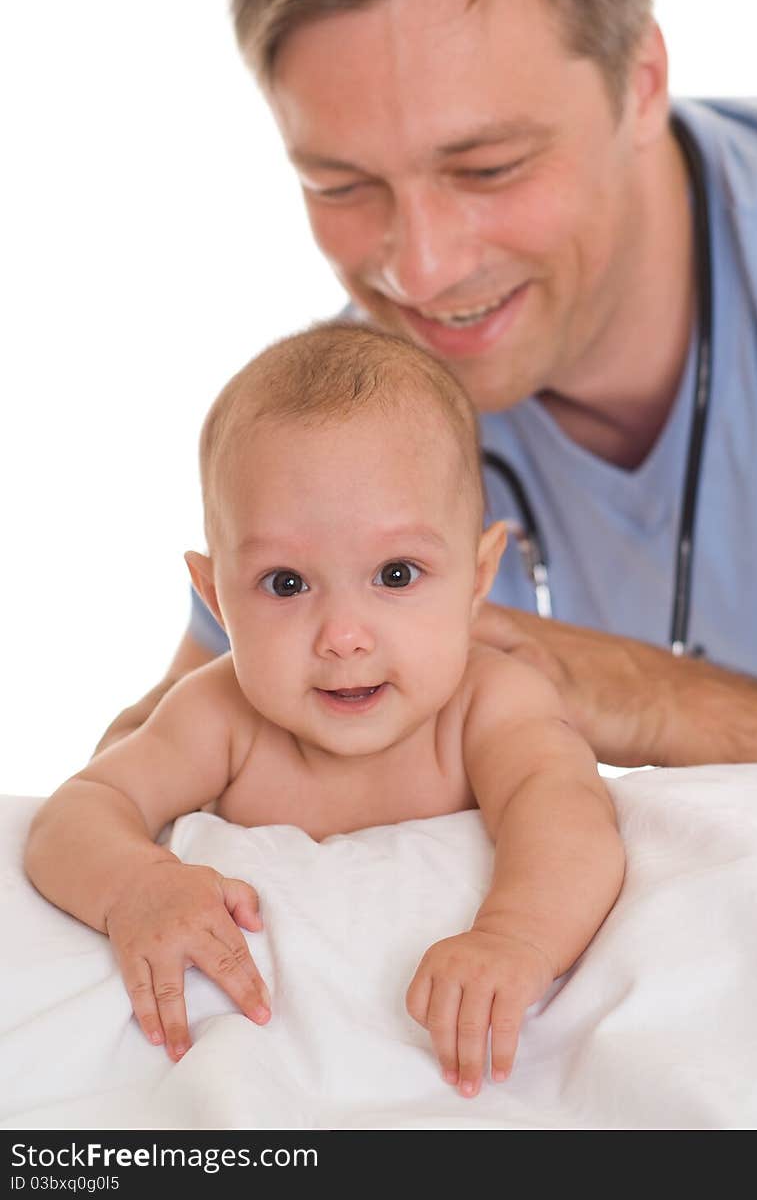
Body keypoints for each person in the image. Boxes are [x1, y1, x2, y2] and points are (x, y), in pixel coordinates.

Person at [99, 0, 757, 771]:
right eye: (342, 185)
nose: (418, 273)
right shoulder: (358, 412)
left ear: (640, 84)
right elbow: (152, 766)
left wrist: (659, 701)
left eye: (488, 168)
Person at [26, 322, 625, 1097]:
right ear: (216, 597)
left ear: (479, 577)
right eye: (285, 583)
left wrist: (514, 936)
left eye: (397, 573)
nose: (343, 636)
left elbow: (571, 817)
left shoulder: (491, 704)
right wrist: (138, 884)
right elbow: (76, 812)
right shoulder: (221, 715)